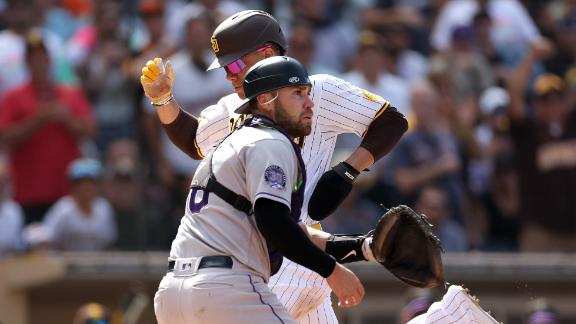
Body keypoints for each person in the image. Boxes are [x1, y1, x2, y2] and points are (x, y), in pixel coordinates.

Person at [141, 10, 408, 323]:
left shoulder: (313, 89)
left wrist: (346, 171)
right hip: (274, 251)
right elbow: (194, 142)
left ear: (266, 53)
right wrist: (163, 101)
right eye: (225, 68)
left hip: (291, 248)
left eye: (234, 64)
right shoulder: (235, 107)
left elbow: (391, 121)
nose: (229, 75)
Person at [151, 56, 364, 323]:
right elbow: (274, 223)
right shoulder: (270, 141)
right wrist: (331, 270)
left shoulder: (233, 143)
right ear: (265, 100)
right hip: (226, 289)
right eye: (297, 93)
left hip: (174, 294)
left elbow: (283, 225)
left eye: (308, 93)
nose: (310, 102)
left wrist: (363, 247)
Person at [0, 29, 95, 225]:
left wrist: (65, 118)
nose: (39, 64)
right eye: (34, 60)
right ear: (27, 63)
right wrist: (37, 119)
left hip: (66, 193)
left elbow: (90, 129)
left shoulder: (69, 94)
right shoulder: (14, 97)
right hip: (27, 193)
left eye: (42, 59)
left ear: (49, 62)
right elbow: (4, 137)